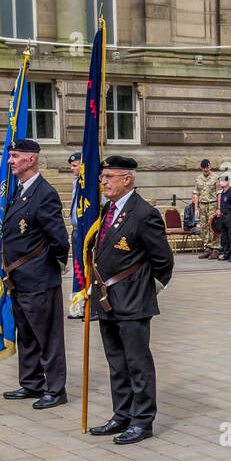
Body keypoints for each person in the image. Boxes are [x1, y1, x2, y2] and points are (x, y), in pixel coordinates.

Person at [87, 156, 175, 444]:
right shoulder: (109, 209)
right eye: (103, 177)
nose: (103, 182)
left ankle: (142, 420)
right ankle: (121, 414)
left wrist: (147, 289)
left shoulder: (143, 213)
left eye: (109, 177)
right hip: (107, 298)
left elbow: (163, 260)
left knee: (137, 363)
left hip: (133, 301)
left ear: (127, 179)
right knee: (116, 362)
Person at [0, 138, 70, 409]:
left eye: (15, 156)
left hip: (39, 279)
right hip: (19, 280)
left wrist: (49, 267)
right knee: (26, 334)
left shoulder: (44, 193)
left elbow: (59, 239)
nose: (10, 161)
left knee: (48, 337)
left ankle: (55, 389)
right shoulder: (18, 191)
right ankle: (31, 383)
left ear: (30, 160)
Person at [195, 158, 220, 259]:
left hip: (212, 204)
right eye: (204, 168)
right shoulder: (198, 179)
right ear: (201, 168)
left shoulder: (215, 177)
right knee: (204, 227)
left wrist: (219, 207)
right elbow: (196, 193)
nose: (206, 169)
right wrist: (196, 208)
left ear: (210, 167)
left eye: (207, 167)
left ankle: (216, 249)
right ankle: (207, 248)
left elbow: (219, 193)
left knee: (213, 226)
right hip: (202, 205)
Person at [214, 175, 231, 261]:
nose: (220, 183)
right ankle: (226, 254)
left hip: (229, 216)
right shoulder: (222, 193)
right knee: (224, 237)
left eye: (221, 181)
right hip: (223, 217)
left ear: (226, 182)